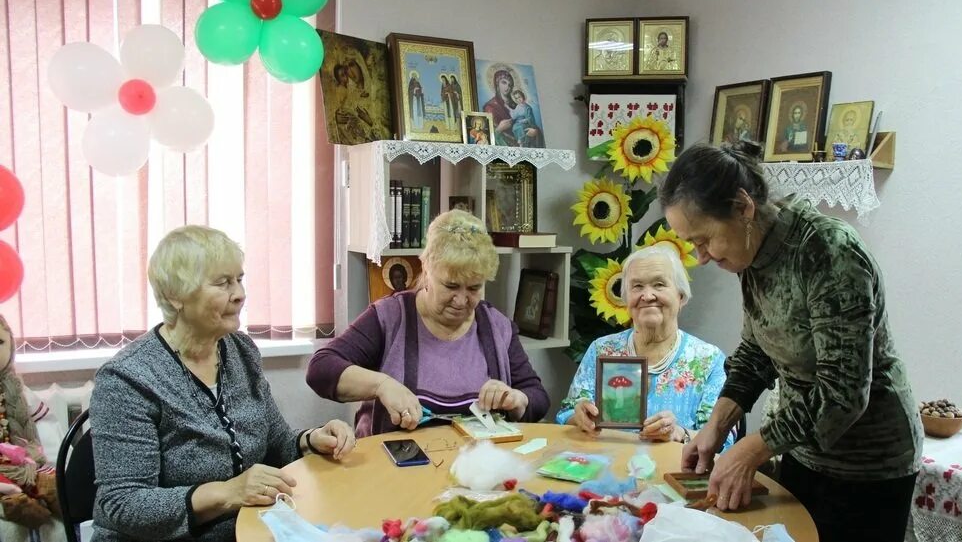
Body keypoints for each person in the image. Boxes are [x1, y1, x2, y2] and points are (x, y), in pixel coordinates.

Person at [659, 142, 922, 542]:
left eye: (703, 240)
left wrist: (750, 449)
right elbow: (755, 352)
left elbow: (843, 393)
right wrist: (715, 425)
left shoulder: (829, 252)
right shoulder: (752, 253)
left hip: (870, 465)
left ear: (743, 207)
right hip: (803, 450)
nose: (701, 258)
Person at [89, 226, 356, 541]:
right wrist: (228, 492)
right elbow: (122, 504)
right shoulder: (127, 380)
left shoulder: (240, 350)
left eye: (239, 279)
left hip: (249, 528)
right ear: (176, 296)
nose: (240, 293)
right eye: (223, 283)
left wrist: (311, 440)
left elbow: (276, 442)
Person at [307, 210, 551, 437]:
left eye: (474, 288)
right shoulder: (389, 317)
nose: (461, 300)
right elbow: (321, 368)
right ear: (426, 269)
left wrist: (516, 399)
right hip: (392, 470)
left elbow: (537, 396)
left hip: (474, 469)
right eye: (451, 286)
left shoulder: (497, 327)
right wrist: (381, 385)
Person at [556, 246, 732, 447]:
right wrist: (579, 416)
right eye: (637, 286)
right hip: (607, 467)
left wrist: (678, 433)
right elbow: (565, 415)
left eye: (659, 284)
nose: (647, 296)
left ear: (681, 296)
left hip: (672, 471)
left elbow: (723, 440)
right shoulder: (602, 350)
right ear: (626, 300)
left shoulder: (708, 360)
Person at [0, 315, 63, 539]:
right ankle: (15, 500)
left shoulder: (20, 394)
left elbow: (47, 436)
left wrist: (56, 467)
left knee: (58, 496)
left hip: (26, 465)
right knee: (10, 531)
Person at [481, 68, 518, 146]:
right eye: (504, 82)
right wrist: (499, 129)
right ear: (497, 83)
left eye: (510, 85)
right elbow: (486, 134)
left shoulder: (516, 105)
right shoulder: (490, 106)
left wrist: (535, 131)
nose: (507, 87)